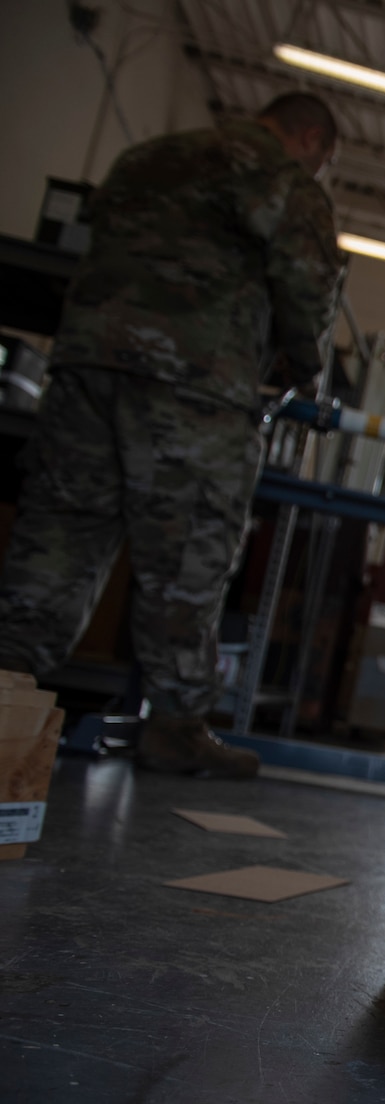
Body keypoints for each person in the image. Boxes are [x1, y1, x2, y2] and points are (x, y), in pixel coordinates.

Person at [0, 92, 342, 779]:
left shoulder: (146, 157)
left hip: (87, 370)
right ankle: (177, 725)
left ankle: (7, 691)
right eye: (322, 160)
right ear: (309, 138)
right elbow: (306, 289)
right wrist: (303, 366)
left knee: (61, 533)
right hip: (193, 385)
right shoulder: (280, 178)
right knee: (187, 553)